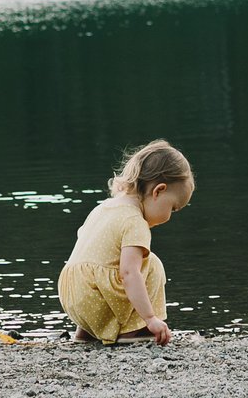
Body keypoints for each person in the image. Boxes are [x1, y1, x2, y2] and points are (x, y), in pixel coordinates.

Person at [59, 140, 195, 345]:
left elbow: (89, 252)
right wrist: (150, 318)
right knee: (150, 264)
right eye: (173, 208)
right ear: (158, 191)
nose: (170, 216)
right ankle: (133, 330)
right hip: (95, 298)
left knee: (107, 265)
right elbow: (128, 273)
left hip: (72, 295)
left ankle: (86, 332)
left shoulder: (105, 207)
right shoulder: (134, 221)